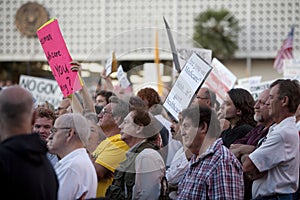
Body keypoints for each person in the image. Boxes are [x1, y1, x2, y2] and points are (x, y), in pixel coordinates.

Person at [242, 79, 300, 200]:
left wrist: (243, 154)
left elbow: (248, 165)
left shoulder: (282, 133)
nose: (267, 103)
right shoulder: (278, 128)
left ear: (284, 101)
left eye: (271, 97)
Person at [0, 86, 58, 199]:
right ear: (34, 117)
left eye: (46, 127)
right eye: (38, 126)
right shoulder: (47, 167)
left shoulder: (4, 160)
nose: (42, 130)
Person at [177, 105, 244, 199]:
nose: (182, 133)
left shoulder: (222, 161)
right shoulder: (196, 159)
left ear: (203, 127)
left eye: (186, 126)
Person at [105, 109, 165, 199]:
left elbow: (148, 196)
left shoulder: (147, 156)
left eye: (126, 122)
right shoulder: (136, 154)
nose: (120, 126)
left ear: (139, 128)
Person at [230, 88, 273, 200]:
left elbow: (249, 163)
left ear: (272, 105)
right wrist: (247, 149)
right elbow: (234, 146)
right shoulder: (258, 129)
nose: (256, 106)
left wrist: (246, 151)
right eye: (256, 101)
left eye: (262, 103)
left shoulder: (275, 132)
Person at [47, 113, 97, 200]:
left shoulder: (72, 166)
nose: (50, 136)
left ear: (70, 133)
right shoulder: (75, 162)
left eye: (55, 131)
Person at [92, 96, 130, 198]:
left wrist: (91, 161)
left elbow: (95, 172)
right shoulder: (107, 141)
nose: (99, 115)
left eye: (104, 112)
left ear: (117, 118)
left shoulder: (121, 142)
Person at [166, 113, 190, 199]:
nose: (171, 126)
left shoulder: (190, 154)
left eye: (176, 122)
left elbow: (171, 179)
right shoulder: (180, 151)